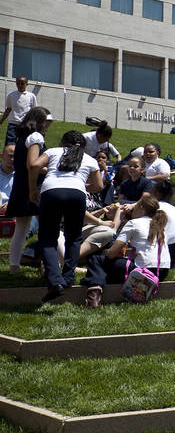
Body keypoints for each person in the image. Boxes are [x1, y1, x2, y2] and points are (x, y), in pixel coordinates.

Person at [30, 130, 102, 303]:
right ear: (83, 146)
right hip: (77, 195)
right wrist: (81, 186)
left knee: (48, 238)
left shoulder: (54, 151)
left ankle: (55, 281)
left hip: (51, 192)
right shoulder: (90, 159)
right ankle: (68, 277)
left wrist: (32, 189)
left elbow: (34, 165)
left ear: (63, 142)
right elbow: (99, 185)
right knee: (74, 237)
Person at [81, 194, 170, 309]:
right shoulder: (159, 226)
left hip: (142, 272)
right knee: (108, 271)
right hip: (161, 272)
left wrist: (106, 252)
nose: (133, 210)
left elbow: (112, 253)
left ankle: (93, 298)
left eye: (135, 207)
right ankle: (95, 281)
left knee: (96, 260)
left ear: (142, 208)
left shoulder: (133, 223)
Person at [5, 107, 52, 275]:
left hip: (20, 186)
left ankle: (14, 267)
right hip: (32, 188)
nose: (48, 126)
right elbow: (32, 165)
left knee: (21, 230)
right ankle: (48, 265)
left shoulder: (22, 137)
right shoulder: (36, 137)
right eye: (47, 122)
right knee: (48, 228)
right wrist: (50, 169)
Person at [0, 76, 37, 146]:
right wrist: (1, 120)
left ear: (27, 84)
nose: (20, 85)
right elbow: (8, 109)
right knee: (10, 143)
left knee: (23, 143)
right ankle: (10, 156)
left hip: (25, 124)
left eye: (22, 83)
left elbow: (34, 111)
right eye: (18, 83)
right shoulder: (11, 95)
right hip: (13, 124)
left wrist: (34, 123)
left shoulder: (31, 96)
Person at [0, 144, 15, 213]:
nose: (12, 159)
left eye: (15, 156)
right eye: (10, 156)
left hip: (14, 210)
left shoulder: (22, 174)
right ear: (2, 156)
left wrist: (12, 203)